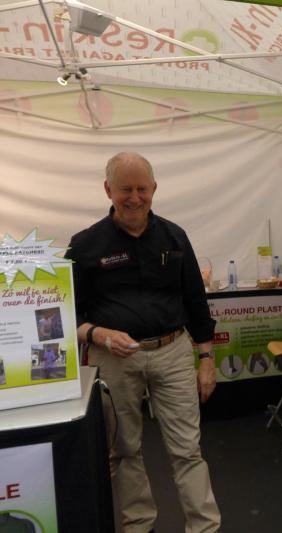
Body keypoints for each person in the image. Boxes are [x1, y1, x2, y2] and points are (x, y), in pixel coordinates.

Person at [65, 152, 220, 533]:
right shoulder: (85, 245)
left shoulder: (174, 237)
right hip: (113, 360)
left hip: (173, 352)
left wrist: (206, 359)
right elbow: (66, 313)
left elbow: (196, 301)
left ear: (154, 189)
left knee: (187, 449)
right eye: (125, 189)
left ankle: (204, 527)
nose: (134, 198)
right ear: (108, 190)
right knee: (123, 450)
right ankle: (138, 525)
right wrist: (98, 334)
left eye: (142, 189)